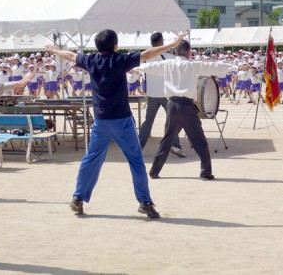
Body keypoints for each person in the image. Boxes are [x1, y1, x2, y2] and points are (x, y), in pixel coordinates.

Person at [45, 29, 186, 218]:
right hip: (122, 120)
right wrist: (171, 44)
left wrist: (54, 50)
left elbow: (70, 55)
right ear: (115, 45)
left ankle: (78, 197)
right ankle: (144, 201)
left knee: (91, 159)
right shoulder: (120, 60)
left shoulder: (91, 60)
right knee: (135, 160)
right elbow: (147, 54)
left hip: (101, 120)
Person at [135, 40, 237, 180]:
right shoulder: (192, 65)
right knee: (199, 140)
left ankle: (154, 171)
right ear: (188, 53)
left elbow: (151, 67)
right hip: (186, 106)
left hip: (171, 105)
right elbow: (212, 66)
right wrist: (233, 67)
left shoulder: (167, 64)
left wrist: (135, 67)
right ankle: (205, 171)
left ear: (176, 52)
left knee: (167, 139)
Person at [138, 32, 186, 157]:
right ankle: (175, 145)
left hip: (152, 94)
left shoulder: (146, 58)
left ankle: (138, 147)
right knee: (172, 121)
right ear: (161, 42)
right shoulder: (169, 56)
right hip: (166, 93)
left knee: (148, 122)